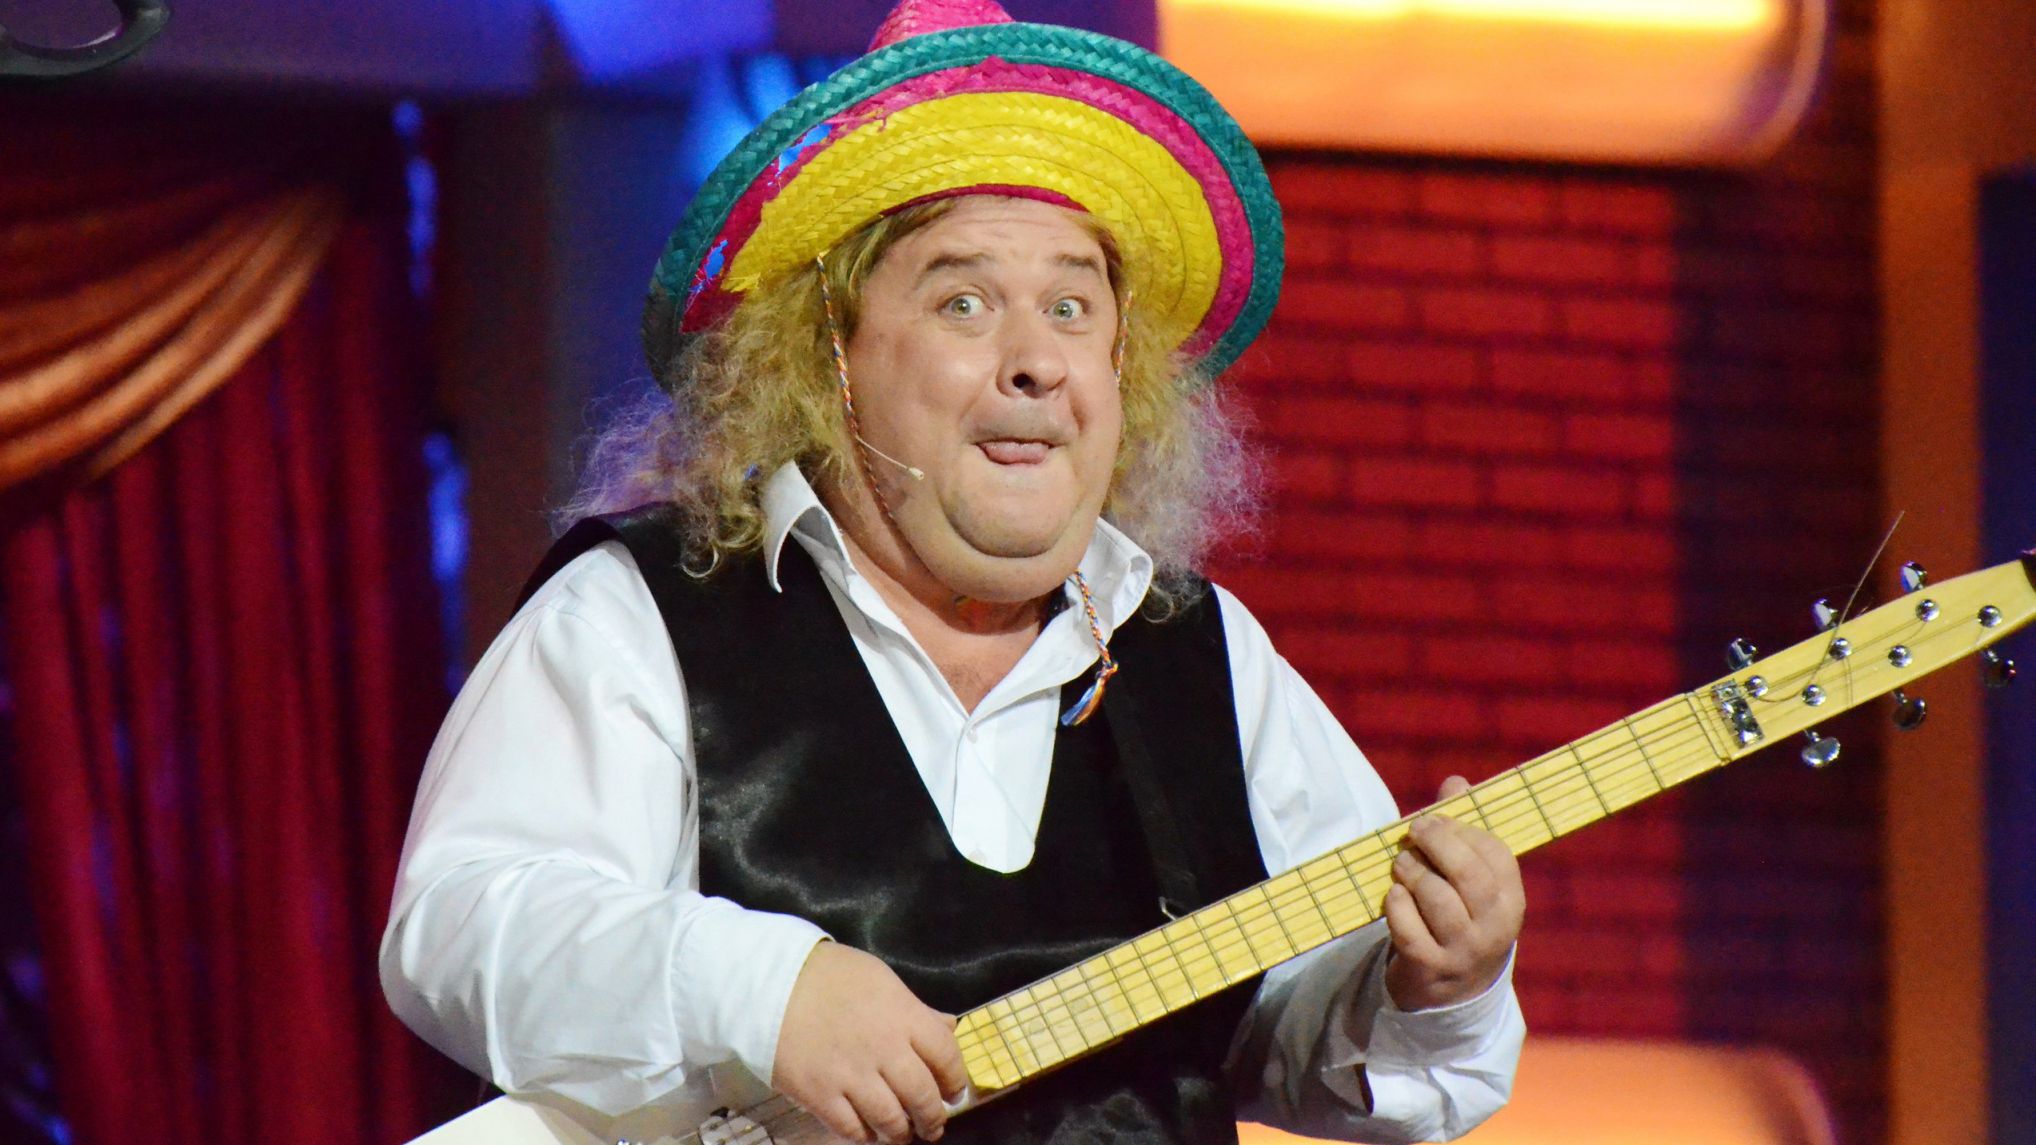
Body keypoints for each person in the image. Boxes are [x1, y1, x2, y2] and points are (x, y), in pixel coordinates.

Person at [380, 2, 1526, 1143]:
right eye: (963, 302)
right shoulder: (643, 613)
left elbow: (1300, 1044)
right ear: (827, 353)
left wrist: (1427, 982)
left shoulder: (1205, 654)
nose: (1034, 361)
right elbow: (459, 928)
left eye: (1070, 307)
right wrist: (759, 986)